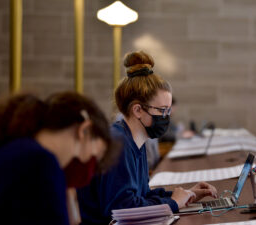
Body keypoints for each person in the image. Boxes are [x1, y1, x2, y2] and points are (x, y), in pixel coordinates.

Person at [77, 51, 217, 225]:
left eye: (168, 111)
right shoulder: (118, 143)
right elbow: (122, 209)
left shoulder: (136, 139)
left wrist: (188, 195)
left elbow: (142, 195)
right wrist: (173, 203)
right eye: (162, 110)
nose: (166, 117)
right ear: (137, 110)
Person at [0, 91, 116, 225]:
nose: (91, 169)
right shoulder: (42, 163)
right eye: (94, 158)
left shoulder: (16, 148)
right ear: (84, 130)